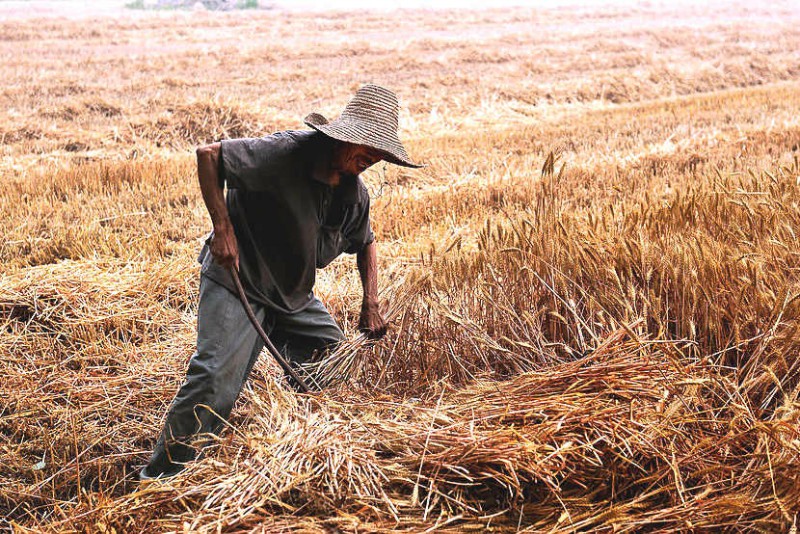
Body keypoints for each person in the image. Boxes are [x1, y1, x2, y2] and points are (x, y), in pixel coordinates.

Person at [140, 84, 422, 480]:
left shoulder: (353, 194)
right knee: (214, 380)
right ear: (344, 135)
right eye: (364, 150)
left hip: (293, 295)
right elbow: (209, 156)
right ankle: (163, 479)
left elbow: (366, 243)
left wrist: (370, 301)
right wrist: (222, 227)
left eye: (376, 157)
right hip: (241, 280)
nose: (368, 162)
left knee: (334, 361)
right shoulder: (285, 154)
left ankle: (301, 442)